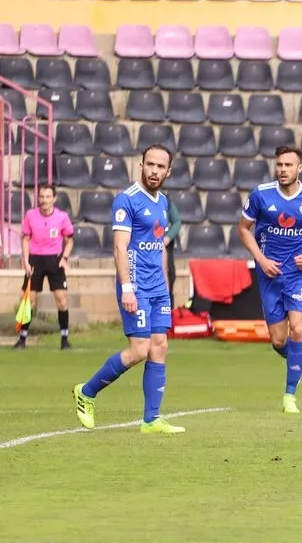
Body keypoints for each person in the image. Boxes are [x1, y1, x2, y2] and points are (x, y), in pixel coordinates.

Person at [72, 145, 183, 434]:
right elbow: (120, 248)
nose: (154, 171)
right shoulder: (127, 200)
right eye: (150, 164)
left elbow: (159, 245)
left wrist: (166, 283)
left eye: (160, 167)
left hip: (158, 287)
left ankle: (151, 420)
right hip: (136, 286)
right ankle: (87, 392)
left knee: (160, 345)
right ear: (141, 165)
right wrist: (127, 288)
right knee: (140, 349)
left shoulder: (162, 202)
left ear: (168, 172)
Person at [237, 145, 302, 414]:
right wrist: (261, 260)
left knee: (298, 329)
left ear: (299, 168)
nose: (283, 170)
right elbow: (243, 229)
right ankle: (297, 361)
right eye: (279, 164)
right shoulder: (261, 194)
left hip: (299, 274)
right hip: (270, 274)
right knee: (279, 341)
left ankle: (290, 395)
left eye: (288, 165)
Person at [15, 184, 74, 350]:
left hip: (54, 260)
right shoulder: (30, 215)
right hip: (35, 260)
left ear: (54, 199)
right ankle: (22, 339)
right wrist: (26, 260)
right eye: (41, 196)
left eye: (48, 197)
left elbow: (69, 241)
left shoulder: (62, 217)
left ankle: (64, 340)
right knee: (28, 300)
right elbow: (25, 239)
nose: (44, 200)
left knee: (62, 300)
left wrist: (64, 258)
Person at [164, 196, 181, 307]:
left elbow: (176, 222)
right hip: (145, 246)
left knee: (170, 276)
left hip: (165, 245)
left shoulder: (165, 200)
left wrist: (168, 237)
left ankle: (169, 311)